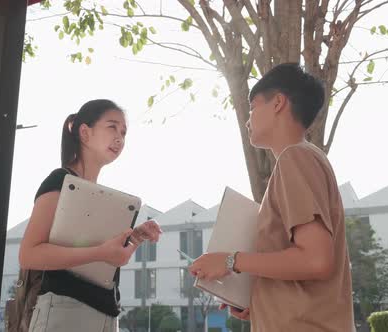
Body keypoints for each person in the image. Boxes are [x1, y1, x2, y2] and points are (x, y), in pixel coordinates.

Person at [188, 63, 354, 331]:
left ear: (278, 103)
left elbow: (316, 260)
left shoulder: (295, 158)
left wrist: (230, 260)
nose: (247, 118)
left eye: (253, 107)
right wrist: (259, 301)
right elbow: (304, 267)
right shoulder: (306, 158)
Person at [18, 99, 162, 332]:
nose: (120, 137)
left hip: (105, 312)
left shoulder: (103, 197)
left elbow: (95, 251)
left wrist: (135, 236)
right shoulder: (60, 181)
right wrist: (101, 252)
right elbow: (29, 254)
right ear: (85, 132)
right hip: (65, 311)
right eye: (112, 127)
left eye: (124, 132)